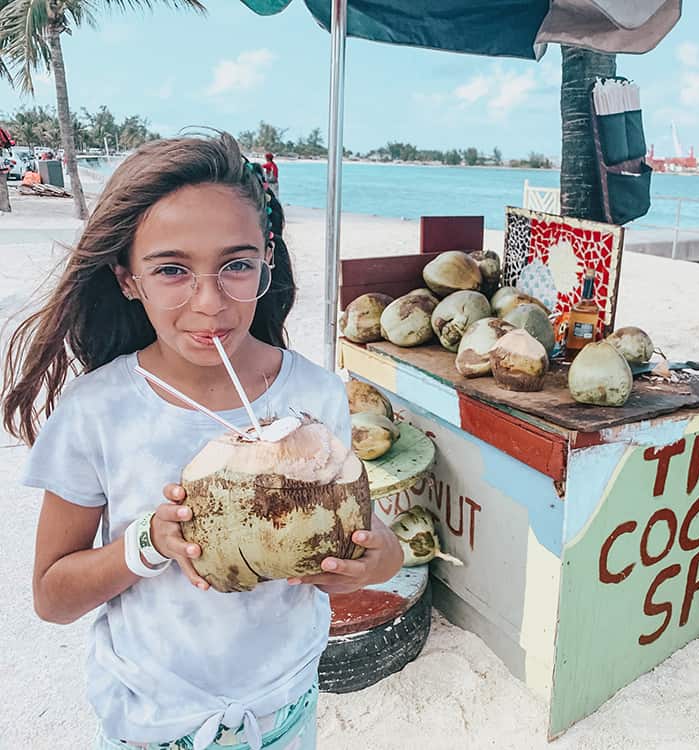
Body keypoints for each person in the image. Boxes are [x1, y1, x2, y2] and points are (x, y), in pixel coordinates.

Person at [1, 132, 403, 749]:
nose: (210, 301)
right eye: (171, 270)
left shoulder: (317, 399)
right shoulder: (98, 412)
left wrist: (370, 563)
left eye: (236, 265)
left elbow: (369, 543)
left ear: (267, 259)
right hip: (153, 728)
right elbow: (52, 598)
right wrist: (147, 541)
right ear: (128, 279)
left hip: (285, 713)